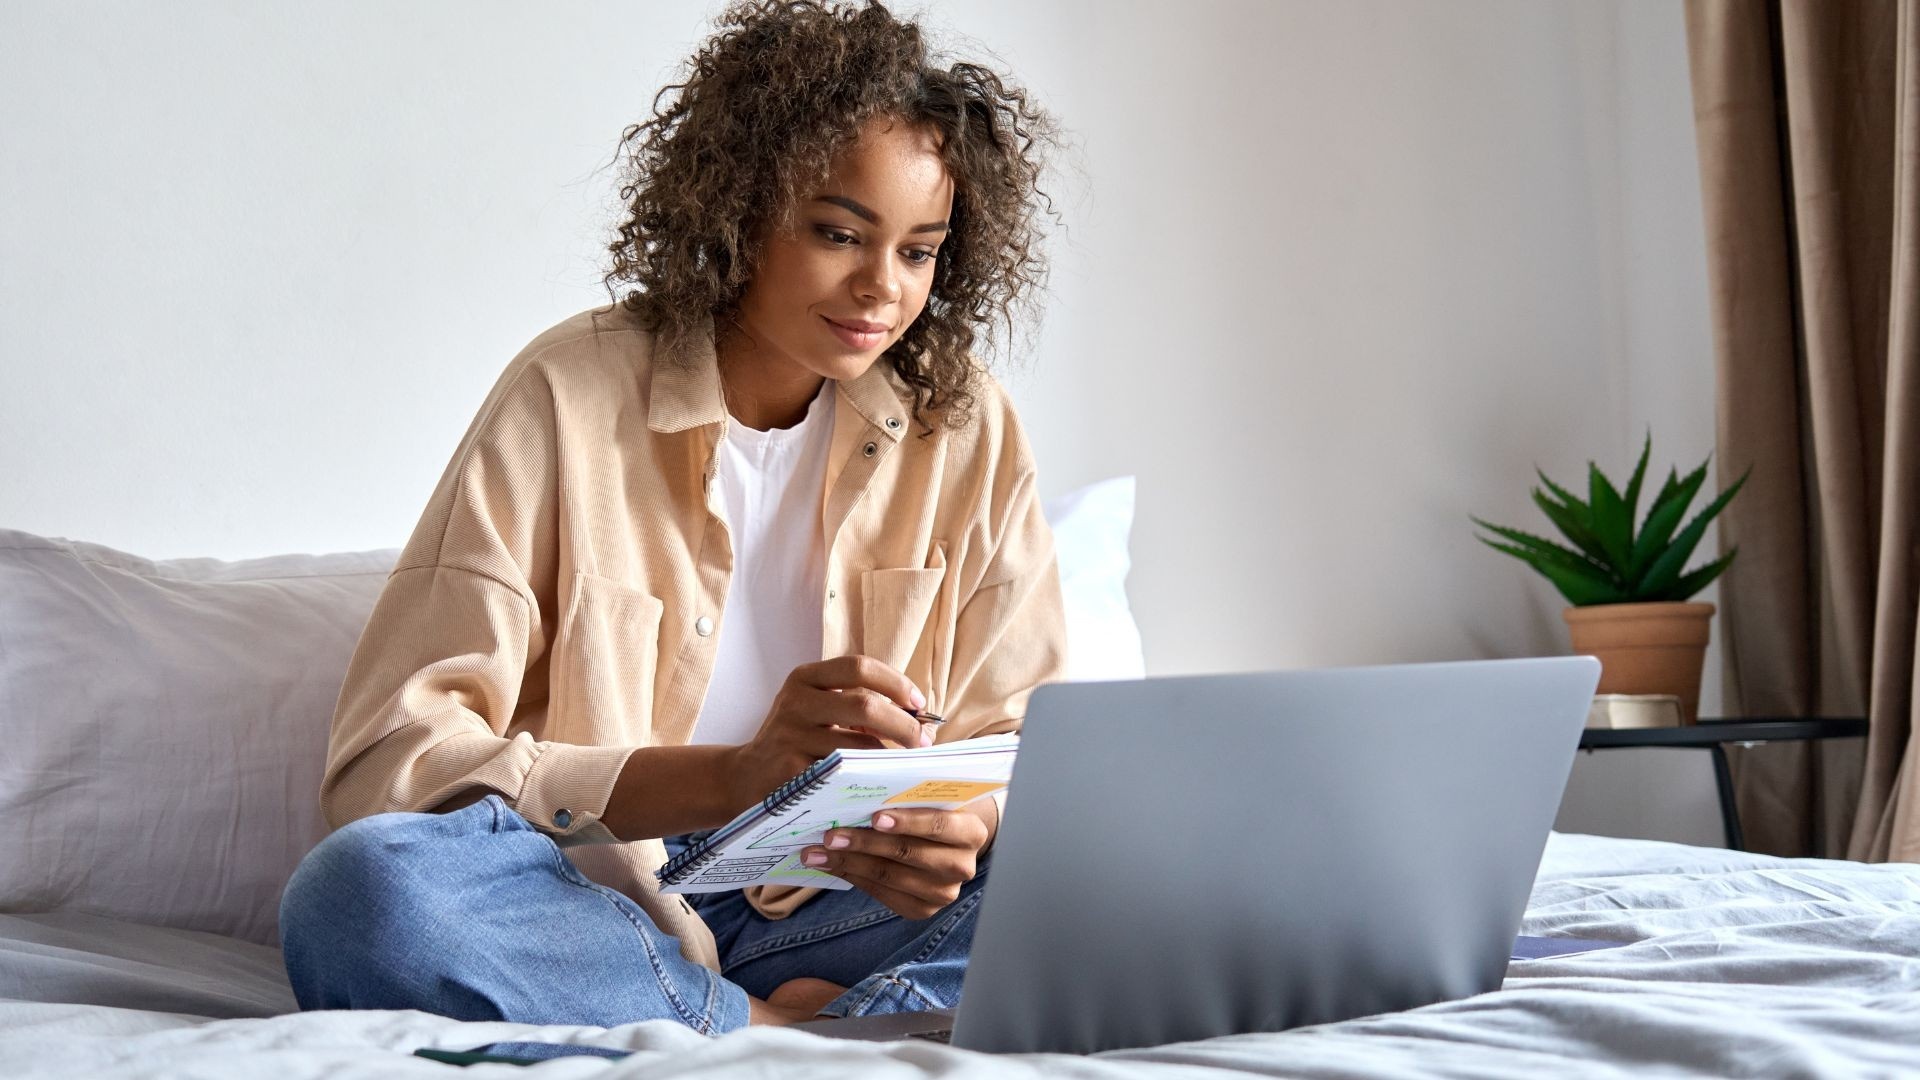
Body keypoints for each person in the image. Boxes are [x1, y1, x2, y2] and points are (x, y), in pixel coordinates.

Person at [277, 0, 1068, 1035]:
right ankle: (782, 1028)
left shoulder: (963, 421)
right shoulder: (567, 396)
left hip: (844, 909)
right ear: (740, 206)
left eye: (920, 251)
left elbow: (1032, 741)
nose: (883, 288)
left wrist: (966, 821)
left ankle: (775, 1014)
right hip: (600, 903)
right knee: (361, 893)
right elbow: (391, 761)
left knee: (1150, 851)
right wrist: (732, 780)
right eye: (839, 233)